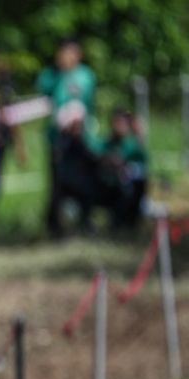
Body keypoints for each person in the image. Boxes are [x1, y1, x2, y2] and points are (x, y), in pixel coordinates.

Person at [37, 37, 97, 237]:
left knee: (85, 178)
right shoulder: (50, 76)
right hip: (58, 139)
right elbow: (44, 102)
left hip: (81, 138)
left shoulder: (86, 76)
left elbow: (87, 105)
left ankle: (85, 220)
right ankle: (55, 226)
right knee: (58, 181)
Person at [98, 109, 148, 231]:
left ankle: (130, 222)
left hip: (127, 184)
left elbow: (142, 161)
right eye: (118, 122)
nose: (120, 126)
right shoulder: (106, 142)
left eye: (123, 123)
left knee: (135, 183)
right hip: (108, 183)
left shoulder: (131, 143)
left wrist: (140, 136)